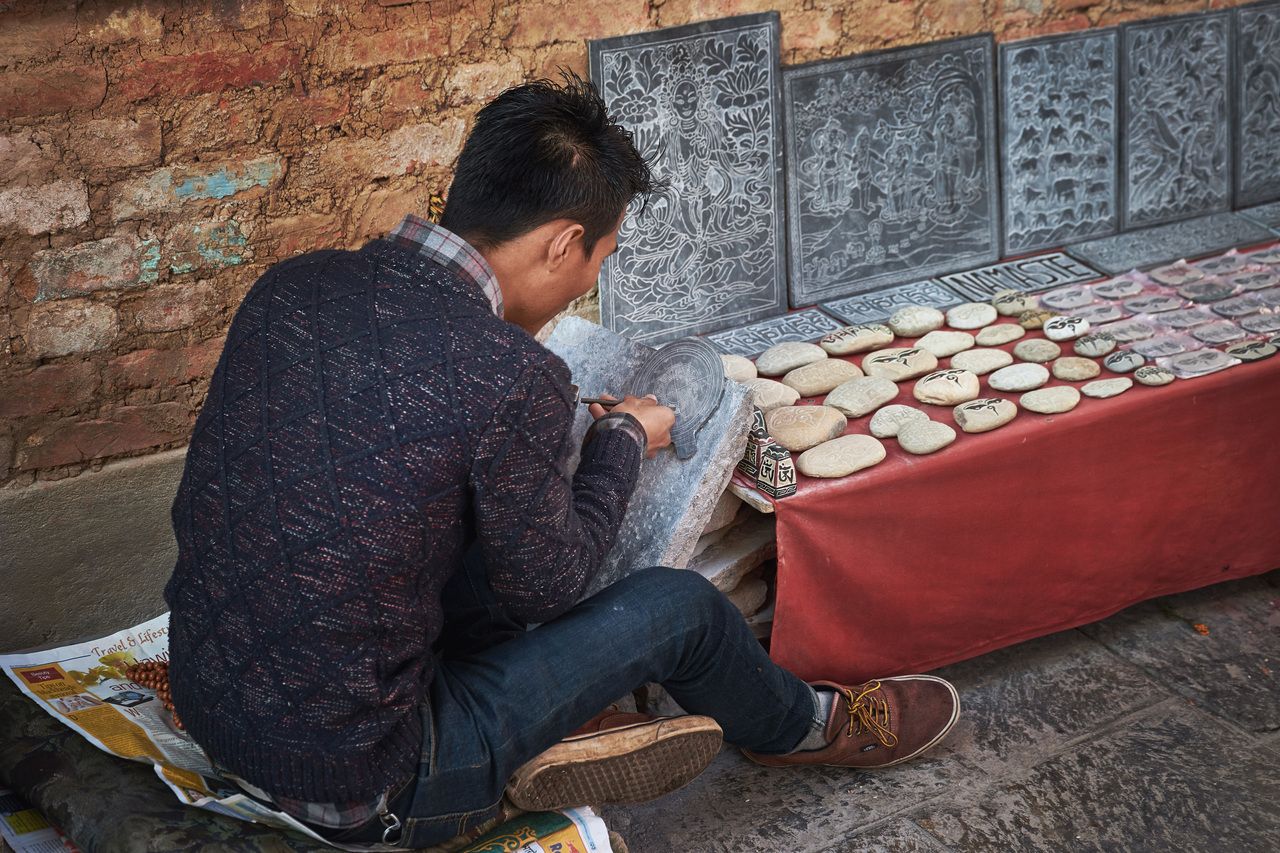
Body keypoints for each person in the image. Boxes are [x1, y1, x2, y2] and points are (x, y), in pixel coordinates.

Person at [164, 73, 960, 850]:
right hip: (366, 780)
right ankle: (800, 726)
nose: (588, 282)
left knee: (456, 518)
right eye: (600, 260)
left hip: (214, 699)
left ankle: (565, 717)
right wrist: (619, 441)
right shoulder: (507, 371)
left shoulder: (291, 285)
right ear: (563, 243)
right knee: (680, 609)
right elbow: (550, 582)